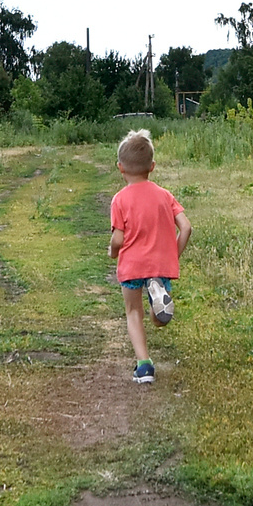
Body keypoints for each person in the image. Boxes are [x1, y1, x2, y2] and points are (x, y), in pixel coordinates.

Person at [108, 128, 190, 385]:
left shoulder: (120, 200)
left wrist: (112, 252)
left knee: (133, 311)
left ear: (120, 167)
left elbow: (118, 239)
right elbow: (186, 227)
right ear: (152, 167)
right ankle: (158, 301)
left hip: (132, 265)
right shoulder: (164, 195)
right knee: (158, 320)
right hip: (159, 265)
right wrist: (173, 256)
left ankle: (144, 366)